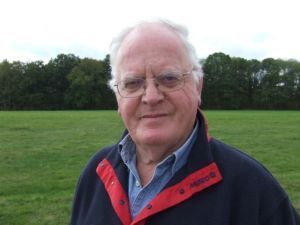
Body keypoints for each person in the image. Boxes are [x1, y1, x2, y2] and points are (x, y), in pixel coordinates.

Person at [71, 19, 300, 225]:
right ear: (118, 97)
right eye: (132, 83)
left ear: (198, 87)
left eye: (169, 78)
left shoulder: (252, 189)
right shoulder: (96, 173)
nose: (151, 97)